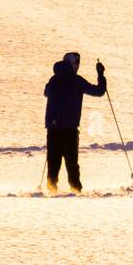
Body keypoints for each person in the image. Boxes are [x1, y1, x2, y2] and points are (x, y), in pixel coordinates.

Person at [44, 52, 106, 195]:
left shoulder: (53, 79)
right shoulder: (76, 81)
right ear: (74, 65)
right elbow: (99, 91)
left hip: (53, 128)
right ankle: (76, 191)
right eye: (77, 63)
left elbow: (46, 93)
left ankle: (51, 190)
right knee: (72, 164)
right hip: (70, 129)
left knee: (53, 163)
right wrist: (101, 74)